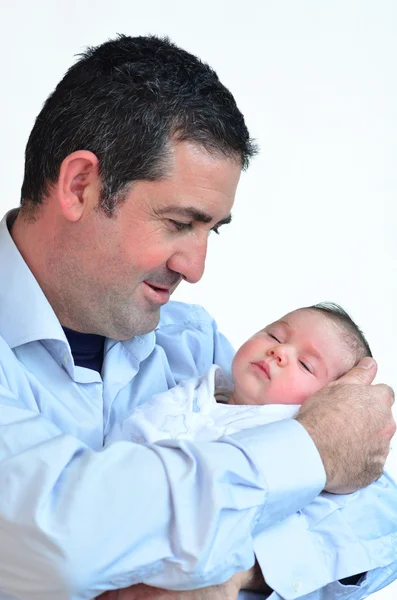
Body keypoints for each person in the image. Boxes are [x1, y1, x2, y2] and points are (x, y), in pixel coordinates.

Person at [0, 33, 395, 600]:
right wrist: (314, 450)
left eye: (212, 230)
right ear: (80, 185)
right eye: (180, 222)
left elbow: (378, 514)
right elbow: (65, 543)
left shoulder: (191, 341)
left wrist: (241, 572)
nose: (195, 267)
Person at [105, 302, 397, 598]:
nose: (279, 352)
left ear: (330, 402)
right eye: (275, 336)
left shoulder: (298, 439)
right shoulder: (193, 394)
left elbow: (375, 516)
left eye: (306, 365)